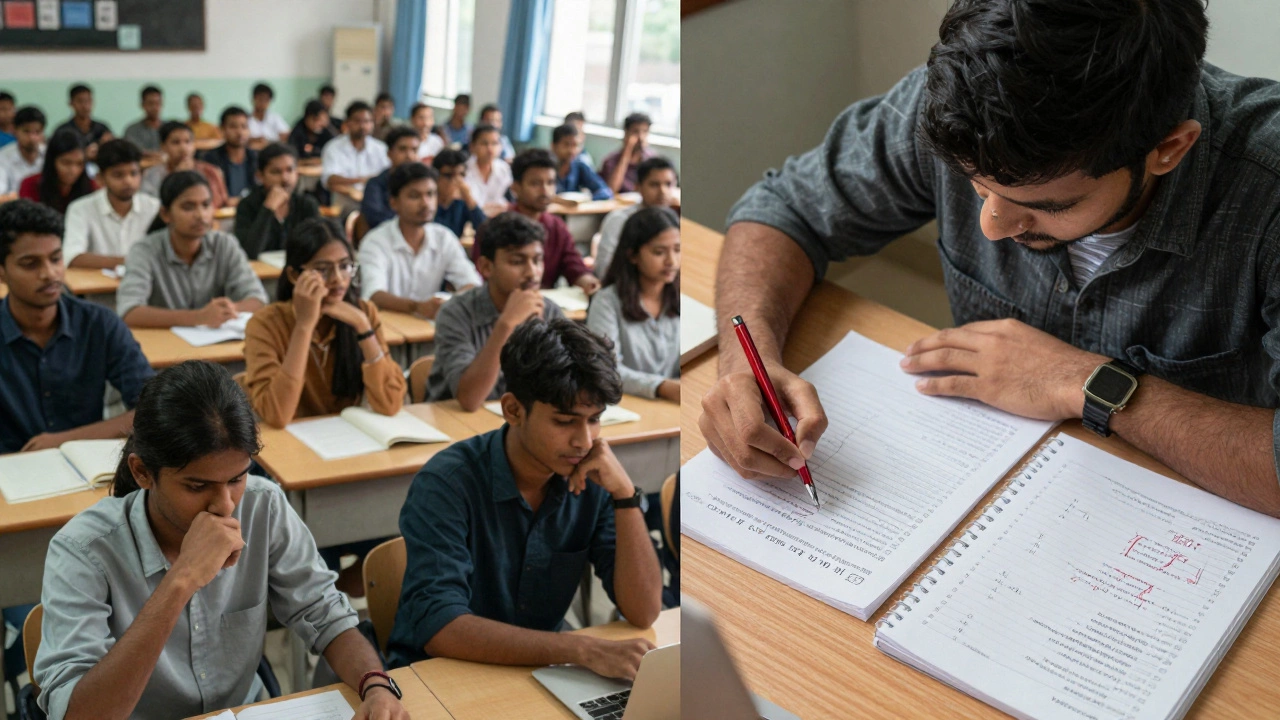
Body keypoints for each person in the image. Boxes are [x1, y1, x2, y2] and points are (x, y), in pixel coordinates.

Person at [703, 0, 1280, 518]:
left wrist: (1083, 381)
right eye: (975, 186)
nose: (992, 225)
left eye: (1046, 205)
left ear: (1168, 149)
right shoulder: (963, 102)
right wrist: (745, 368)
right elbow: (783, 209)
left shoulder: (1268, 188)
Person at [32, 360, 410, 720]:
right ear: (142, 472)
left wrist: (374, 684)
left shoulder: (264, 506)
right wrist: (180, 581)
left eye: (237, 479)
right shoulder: (83, 550)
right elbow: (77, 713)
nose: (225, 505)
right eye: (197, 486)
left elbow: (323, 613)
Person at [388, 317, 662, 673]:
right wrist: (577, 648)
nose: (585, 441)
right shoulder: (447, 483)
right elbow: (441, 628)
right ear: (513, 410)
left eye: (595, 419)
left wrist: (625, 496)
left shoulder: (594, 477)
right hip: (439, 676)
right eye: (565, 422)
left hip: (539, 669)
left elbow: (643, 610)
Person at [0, 199, 153, 454]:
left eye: (56, 258)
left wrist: (64, 440)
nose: (49, 273)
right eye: (30, 264)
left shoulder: (100, 323)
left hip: (84, 464)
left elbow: (152, 410)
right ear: (2, 272)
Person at [244, 219, 404, 428]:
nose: (338, 279)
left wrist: (364, 327)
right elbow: (277, 415)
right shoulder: (265, 324)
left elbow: (390, 404)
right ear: (294, 275)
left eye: (345, 266)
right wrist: (304, 325)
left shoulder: (364, 313)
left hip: (350, 439)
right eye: (322, 269)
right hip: (291, 447)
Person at [427, 212, 566, 408]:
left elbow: (563, 389)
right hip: (456, 426)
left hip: (517, 425)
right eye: (517, 262)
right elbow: (469, 399)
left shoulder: (550, 312)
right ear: (486, 267)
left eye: (537, 260)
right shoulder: (455, 313)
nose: (532, 272)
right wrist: (506, 324)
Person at [119, 171, 267, 329]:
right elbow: (130, 312)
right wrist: (198, 317)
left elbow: (257, 300)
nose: (200, 215)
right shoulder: (144, 250)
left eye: (206, 205)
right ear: (165, 214)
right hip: (166, 348)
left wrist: (226, 311)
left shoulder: (224, 244)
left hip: (214, 344)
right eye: (188, 207)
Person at [359, 162, 481, 319]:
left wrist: (448, 304)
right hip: (388, 328)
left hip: (429, 328)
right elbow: (374, 294)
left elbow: (472, 284)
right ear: (394, 203)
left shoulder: (443, 238)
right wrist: (417, 307)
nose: (426, 203)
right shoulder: (375, 242)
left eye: (430, 194)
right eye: (414, 196)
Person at [587, 207, 680, 403]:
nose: (671, 261)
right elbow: (607, 370)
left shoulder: (681, 297)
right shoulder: (606, 301)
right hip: (630, 406)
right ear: (632, 255)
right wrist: (661, 386)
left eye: (677, 250)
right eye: (659, 252)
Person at [475, 149, 598, 294]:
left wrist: (589, 283)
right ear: (515, 188)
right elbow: (481, 280)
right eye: (535, 184)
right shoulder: (494, 228)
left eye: (550, 182)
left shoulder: (557, 226)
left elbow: (574, 266)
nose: (545, 191)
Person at [63, 139, 160, 270]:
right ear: (100, 178)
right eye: (118, 175)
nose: (128, 181)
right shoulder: (80, 208)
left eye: (134, 173)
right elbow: (72, 257)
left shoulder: (154, 207)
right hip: (98, 288)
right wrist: (132, 261)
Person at [233, 143, 321, 259]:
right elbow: (249, 253)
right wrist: (268, 208)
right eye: (276, 172)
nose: (285, 178)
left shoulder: (307, 205)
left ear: (297, 173)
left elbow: (318, 249)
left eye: (289, 170)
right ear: (260, 176)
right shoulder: (247, 205)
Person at [595, 156, 678, 273]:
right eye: (654, 185)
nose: (663, 192)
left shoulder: (675, 220)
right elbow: (603, 269)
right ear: (637, 187)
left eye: (668, 184)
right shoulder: (619, 220)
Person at [140, 122, 228, 209]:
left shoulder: (210, 171)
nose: (183, 148)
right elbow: (150, 207)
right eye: (176, 142)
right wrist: (177, 177)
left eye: (188, 142)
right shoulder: (152, 175)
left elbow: (219, 203)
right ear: (163, 147)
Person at [19, 130, 97, 215]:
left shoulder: (91, 188)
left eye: (79, 164)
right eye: (66, 163)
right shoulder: (30, 184)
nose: (73, 170)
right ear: (52, 161)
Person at [321, 101, 390, 197]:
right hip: (344, 199)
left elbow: (388, 176)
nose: (362, 126)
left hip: (375, 198)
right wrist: (360, 180)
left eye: (367, 121)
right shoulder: (333, 147)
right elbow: (329, 179)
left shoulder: (381, 149)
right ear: (348, 123)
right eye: (357, 121)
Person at [359, 126, 421, 229]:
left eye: (414, 150)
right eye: (403, 149)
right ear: (389, 153)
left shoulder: (422, 184)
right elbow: (376, 220)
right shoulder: (375, 185)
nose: (409, 156)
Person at [199, 107, 259, 205]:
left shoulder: (255, 157)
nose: (240, 132)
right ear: (222, 129)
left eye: (244, 127)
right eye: (233, 127)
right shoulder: (211, 159)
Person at [431, 149, 487, 239]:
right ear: (435, 177)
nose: (457, 181)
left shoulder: (461, 203)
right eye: (449, 176)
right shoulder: (427, 200)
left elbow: (485, 231)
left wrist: (469, 199)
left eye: (461, 175)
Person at [550, 124, 612, 200]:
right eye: (566, 145)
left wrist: (586, 200)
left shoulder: (579, 166)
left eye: (575, 145)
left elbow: (605, 192)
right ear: (553, 146)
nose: (571, 151)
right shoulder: (544, 168)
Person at [600, 113, 656, 195]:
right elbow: (612, 190)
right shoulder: (611, 161)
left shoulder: (651, 159)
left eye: (645, 131)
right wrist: (627, 152)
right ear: (626, 133)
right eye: (635, 132)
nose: (640, 137)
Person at [53, 84, 112, 162]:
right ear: (71, 103)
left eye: (88, 101)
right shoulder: (63, 131)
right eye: (80, 101)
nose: (85, 106)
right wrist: (84, 155)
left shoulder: (102, 128)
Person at [463, 124, 512, 211]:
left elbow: (510, 201)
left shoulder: (504, 169)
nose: (490, 149)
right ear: (472, 147)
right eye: (484, 144)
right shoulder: (464, 170)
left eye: (494, 143)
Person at [0, 106, 45, 196]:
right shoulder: (3, 157)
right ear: (14, 131)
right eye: (26, 131)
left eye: (37, 132)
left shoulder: (49, 154)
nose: (32, 138)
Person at [123, 85, 164, 156]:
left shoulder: (170, 129)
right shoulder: (132, 130)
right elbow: (134, 152)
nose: (155, 108)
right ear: (142, 105)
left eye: (158, 103)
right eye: (151, 103)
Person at [247, 82, 290, 146]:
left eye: (266, 100)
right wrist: (254, 140)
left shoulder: (275, 118)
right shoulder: (246, 119)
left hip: (273, 150)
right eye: (260, 99)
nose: (263, 103)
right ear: (253, 99)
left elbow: (286, 135)